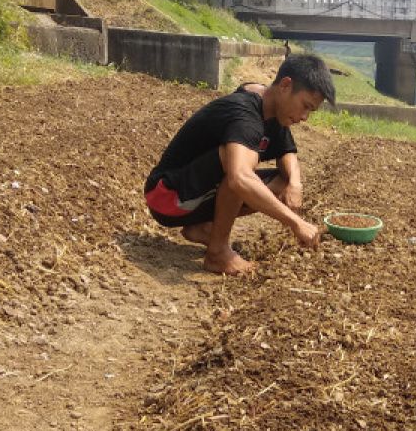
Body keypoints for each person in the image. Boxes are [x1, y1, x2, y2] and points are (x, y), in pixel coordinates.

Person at [144, 54, 336, 275]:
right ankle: (217, 254)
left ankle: (205, 228)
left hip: (191, 195)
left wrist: (295, 183)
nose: (304, 117)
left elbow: (287, 152)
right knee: (239, 164)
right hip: (166, 196)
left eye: (311, 111)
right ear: (285, 85)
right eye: (305, 106)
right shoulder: (244, 115)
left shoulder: (272, 107)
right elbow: (239, 178)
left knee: (281, 181)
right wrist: (296, 222)